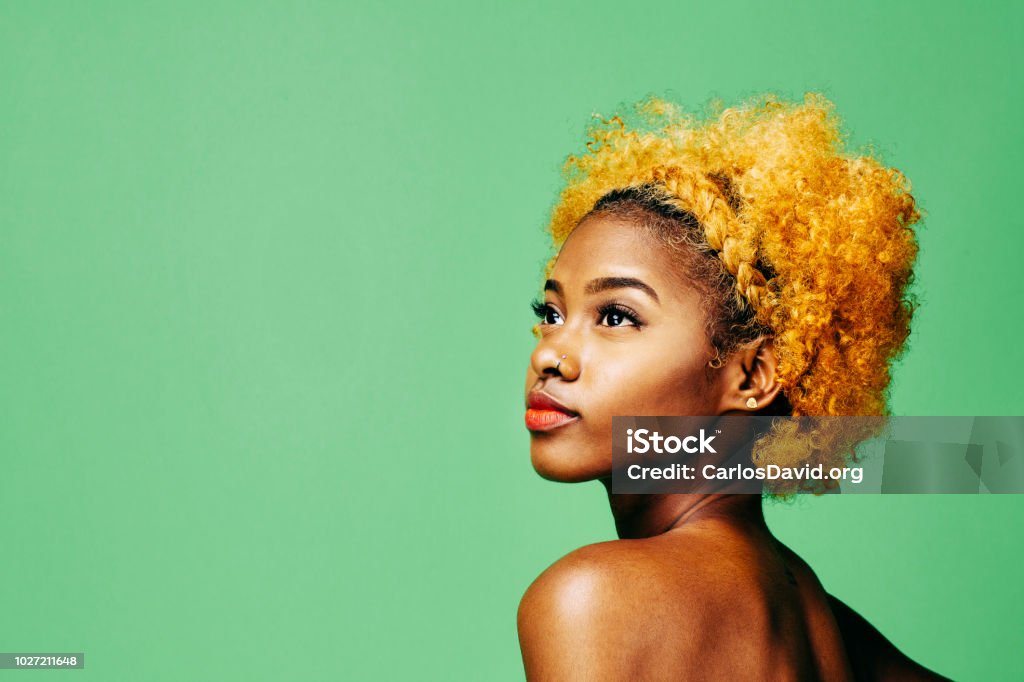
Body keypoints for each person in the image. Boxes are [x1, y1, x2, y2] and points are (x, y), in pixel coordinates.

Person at [519, 93, 949, 680]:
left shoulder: (590, 599)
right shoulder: (818, 616)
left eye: (617, 316)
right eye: (551, 312)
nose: (551, 354)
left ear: (750, 375)